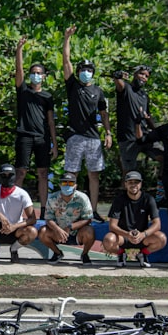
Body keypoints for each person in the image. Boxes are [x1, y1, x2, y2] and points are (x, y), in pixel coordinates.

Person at [62, 25, 112, 222]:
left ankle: (92, 211)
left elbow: (104, 113)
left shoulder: (99, 91)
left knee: (94, 176)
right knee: (71, 174)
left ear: (93, 72)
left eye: (88, 70)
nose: (85, 72)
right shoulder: (73, 86)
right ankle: (69, 210)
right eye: (82, 69)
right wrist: (67, 38)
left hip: (93, 138)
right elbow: (66, 61)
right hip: (75, 136)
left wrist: (108, 133)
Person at [14, 37, 58, 220]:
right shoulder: (23, 91)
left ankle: (45, 210)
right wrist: (19, 50)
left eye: (39, 73)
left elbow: (50, 121)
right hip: (24, 136)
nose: (36, 75)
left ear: (44, 76)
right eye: (33, 72)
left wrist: (54, 144)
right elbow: (19, 71)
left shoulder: (47, 96)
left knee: (42, 173)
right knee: (21, 172)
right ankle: (16, 209)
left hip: (42, 138)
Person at [103, 171, 167, 268]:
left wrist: (143, 234)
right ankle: (121, 254)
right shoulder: (119, 199)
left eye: (136, 182)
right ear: (125, 184)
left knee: (162, 238)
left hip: (142, 236)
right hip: (123, 236)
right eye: (130, 182)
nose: (133, 185)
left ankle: (143, 254)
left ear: (141, 183)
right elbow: (112, 225)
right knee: (108, 240)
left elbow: (157, 224)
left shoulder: (148, 199)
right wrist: (127, 234)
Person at [0, 163, 38, 265]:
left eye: (10, 175)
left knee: (32, 231)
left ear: (14, 176)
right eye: (3, 175)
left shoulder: (22, 194)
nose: (7, 178)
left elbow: (32, 219)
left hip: (16, 230)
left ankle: (14, 250)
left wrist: (14, 226)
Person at [112, 65, 162, 174]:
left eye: (146, 76)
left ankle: (163, 188)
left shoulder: (144, 95)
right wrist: (117, 75)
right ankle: (126, 191)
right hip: (128, 138)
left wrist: (159, 133)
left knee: (165, 158)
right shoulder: (126, 88)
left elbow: (148, 116)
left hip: (144, 136)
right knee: (129, 172)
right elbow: (119, 83)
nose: (144, 77)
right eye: (141, 74)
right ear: (135, 74)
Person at [38, 173, 95, 266]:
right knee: (42, 231)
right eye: (64, 183)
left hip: (77, 233)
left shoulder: (82, 198)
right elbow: (48, 218)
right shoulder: (52, 198)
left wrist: (70, 227)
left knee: (90, 231)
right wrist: (57, 229)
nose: (67, 185)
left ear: (75, 186)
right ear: (60, 184)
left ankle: (85, 254)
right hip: (57, 233)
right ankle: (57, 253)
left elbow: (88, 219)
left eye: (71, 183)